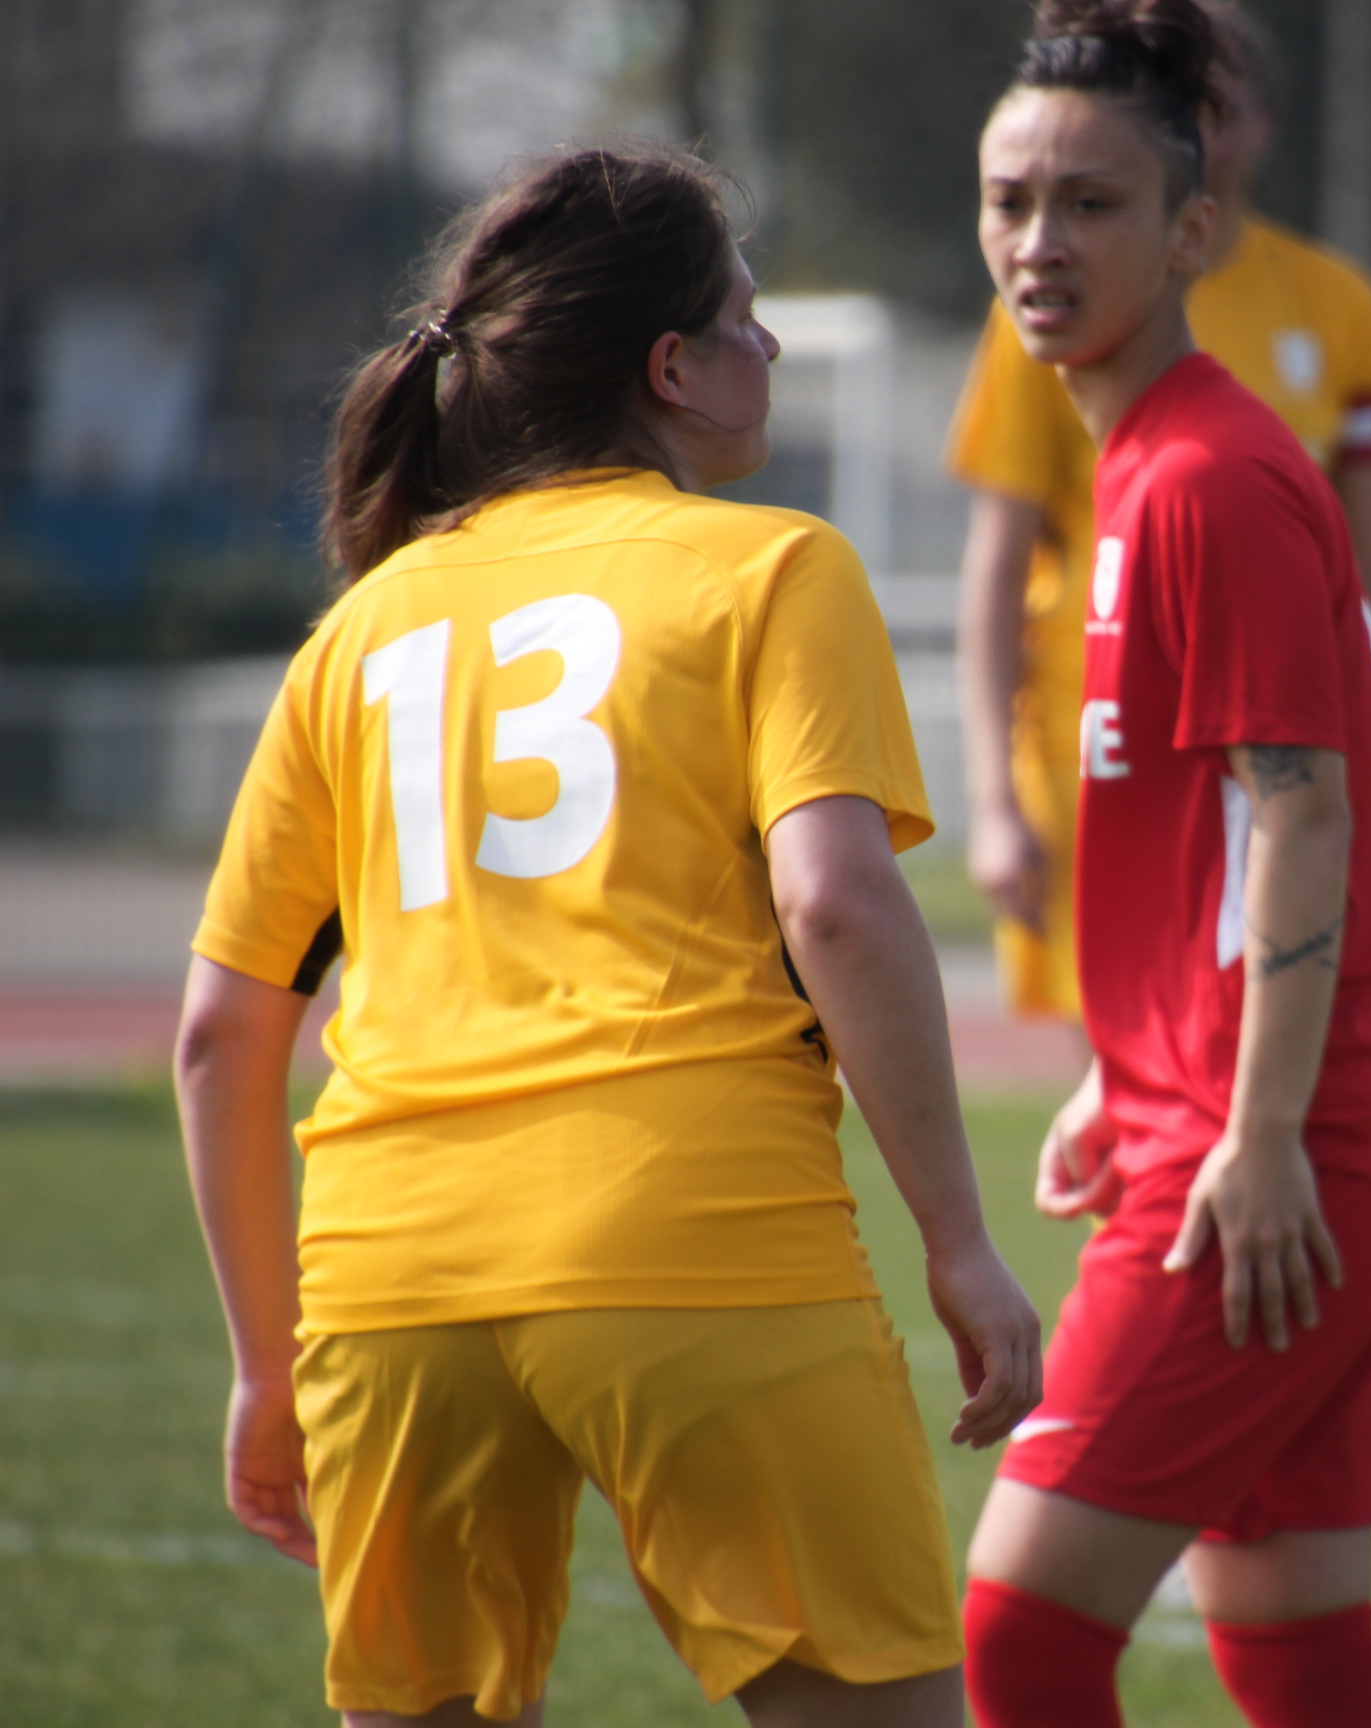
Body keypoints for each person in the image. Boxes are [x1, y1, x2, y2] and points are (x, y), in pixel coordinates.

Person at [173, 144, 1041, 1728]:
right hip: (696, 1233)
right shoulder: (775, 566)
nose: (766, 347)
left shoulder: (357, 630)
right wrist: (961, 1244)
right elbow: (837, 904)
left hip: (392, 1277)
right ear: (671, 368)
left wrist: (262, 1363)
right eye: (744, 316)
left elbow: (222, 1033)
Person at [955, 6, 1371, 1726]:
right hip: (1279, 1129)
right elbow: (1225, 833)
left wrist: (1252, 1130)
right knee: (1294, 1645)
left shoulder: (1203, 479)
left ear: (1189, 233)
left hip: (1276, 1160)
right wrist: (1129, 1062)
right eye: (1010, 199)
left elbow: (1304, 813)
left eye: (1091, 204)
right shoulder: (1146, 461)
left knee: (1022, 1632)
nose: (1040, 241)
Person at [948, 0, 1371, 1033]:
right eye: (1008, 202)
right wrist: (993, 799)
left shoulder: (1310, 335)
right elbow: (996, 566)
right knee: (1131, 1081)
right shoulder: (1044, 311)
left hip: (1271, 747)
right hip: (1100, 744)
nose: (1041, 241)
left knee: (1257, 1055)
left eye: (1223, 102)